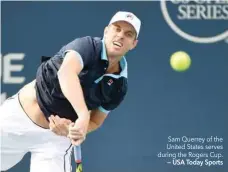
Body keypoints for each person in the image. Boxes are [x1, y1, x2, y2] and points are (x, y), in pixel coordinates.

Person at [0, 11, 141, 172]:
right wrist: (82, 115)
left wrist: (76, 130)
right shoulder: (87, 46)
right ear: (106, 31)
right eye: (117, 29)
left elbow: (95, 121)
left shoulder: (119, 86)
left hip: (54, 142)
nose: (121, 36)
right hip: (15, 121)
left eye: (128, 34)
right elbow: (66, 73)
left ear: (133, 44)